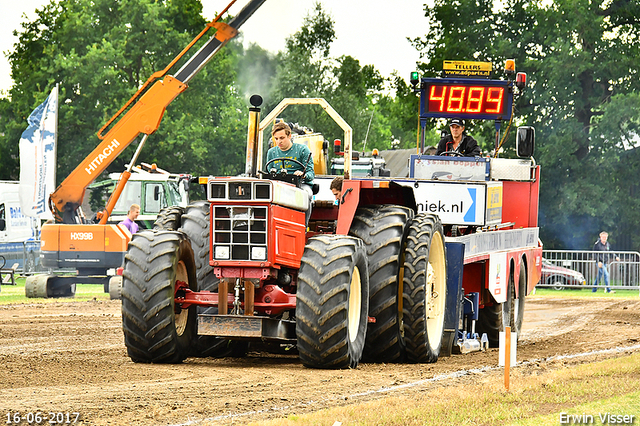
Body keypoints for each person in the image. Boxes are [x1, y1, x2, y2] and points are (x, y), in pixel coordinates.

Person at [266, 122, 315, 224]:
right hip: (279, 184)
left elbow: (311, 174)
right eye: (276, 138)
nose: (279, 141)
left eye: (282, 138)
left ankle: (303, 226)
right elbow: (269, 172)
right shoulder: (272, 152)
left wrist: (303, 174)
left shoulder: (302, 150)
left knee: (307, 195)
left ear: (289, 136)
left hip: (300, 184)